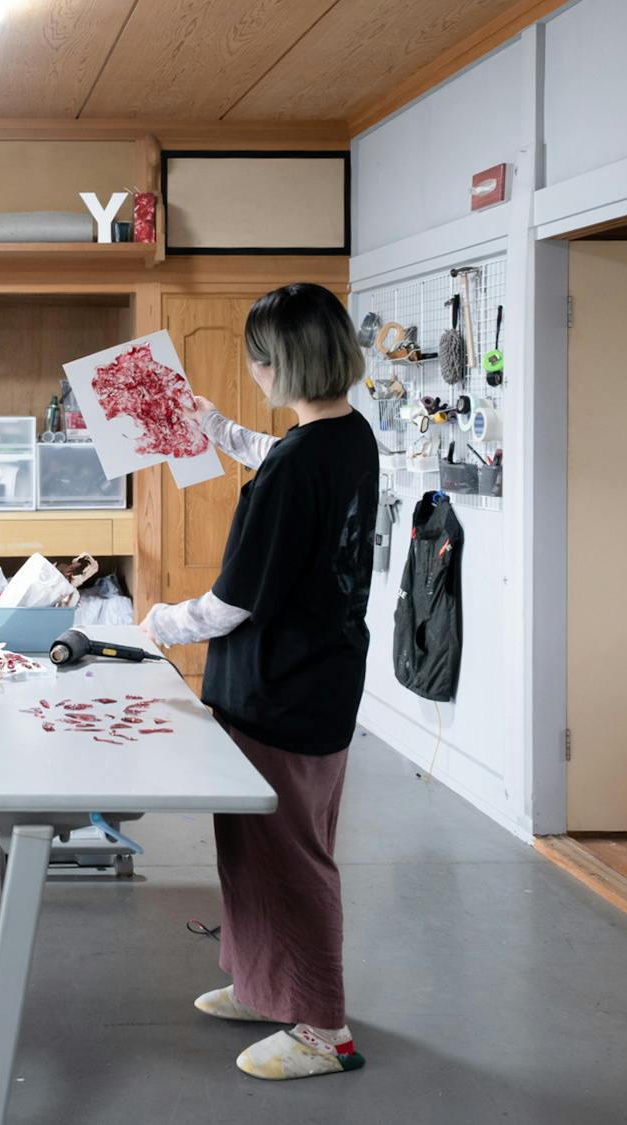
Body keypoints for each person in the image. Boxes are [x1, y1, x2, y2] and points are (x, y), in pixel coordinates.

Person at [140, 282, 379, 1081]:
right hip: (318, 679)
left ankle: (323, 1029)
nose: (252, 371)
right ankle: (262, 984)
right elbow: (282, 456)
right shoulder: (347, 436)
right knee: (252, 852)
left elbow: (230, 604)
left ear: (284, 363)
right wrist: (215, 428)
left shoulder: (299, 465)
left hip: (283, 691)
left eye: (258, 358)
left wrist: (157, 622)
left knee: (289, 859)